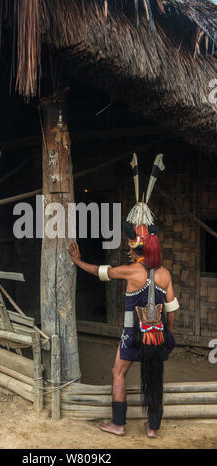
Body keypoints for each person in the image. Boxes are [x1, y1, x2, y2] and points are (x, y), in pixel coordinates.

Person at [67, 154, 179, 438]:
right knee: (155, 377)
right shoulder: (164, 274)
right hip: (157, 336)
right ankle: (153, 428)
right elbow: (173, 309)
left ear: (134, 246)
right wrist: (166, 330)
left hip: (133, 336)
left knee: (118, 373)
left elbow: (101, 271)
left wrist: (79, 262)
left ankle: (118, 425)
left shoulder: (131, 272)